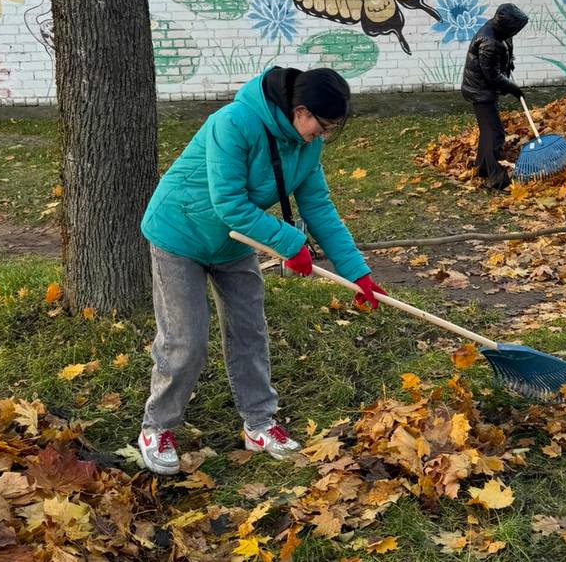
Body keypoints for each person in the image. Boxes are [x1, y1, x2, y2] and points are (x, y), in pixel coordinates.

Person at [136, 66, 385, 475]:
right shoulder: (233, 123)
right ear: (299, 110)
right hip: (179, 233)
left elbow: (318, 207)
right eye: (321, 126)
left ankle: (259, 423)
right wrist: (290, 243)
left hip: (236, 241)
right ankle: (156, 427)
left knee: (249, 331)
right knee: (186, 340)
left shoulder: (306, 145)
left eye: (330, 129)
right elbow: (229, 203)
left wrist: (357, 273)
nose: (322, 136)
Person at [460, 3, 528, 190]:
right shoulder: (489, 42)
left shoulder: (501, 33)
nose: (516, 33)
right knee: (495, 134)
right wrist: (513, 88)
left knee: (488, 130)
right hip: (480, 92)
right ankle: (497, 178)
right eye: (515, 29)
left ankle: (482, 168)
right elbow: (492, 76)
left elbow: (505, 52)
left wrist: (509, 63)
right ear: (506, 25)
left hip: (485, 89)